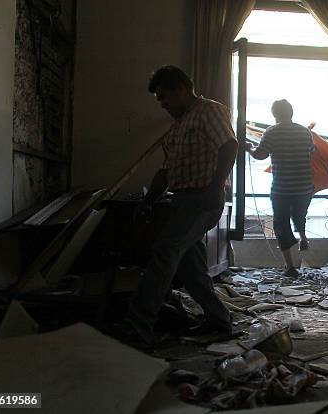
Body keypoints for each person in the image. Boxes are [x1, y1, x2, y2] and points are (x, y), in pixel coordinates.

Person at [125, 65, 237, 346]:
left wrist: (215, 187)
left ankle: (138, 325)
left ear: (183, 89)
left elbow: (229, 146)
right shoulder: (178, 128)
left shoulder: (208, 111)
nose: (163, 104)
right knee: (190, 268)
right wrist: (148, 200)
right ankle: (218, 320)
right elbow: (166, 172)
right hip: (183, 200)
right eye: (159, 100)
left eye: (165, 97)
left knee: (164, 252)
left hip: (202, 198)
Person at [245, 99, 314, 277]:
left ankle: (290, 267)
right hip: (304, 186)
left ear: (275, 114)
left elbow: (261, 155)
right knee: (299, 215)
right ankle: (303, 237)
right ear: (291, 113)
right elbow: (311, 151)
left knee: (281, 224)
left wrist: (249, 148)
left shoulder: (271, 132)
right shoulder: (304, 131)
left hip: (282, 188)